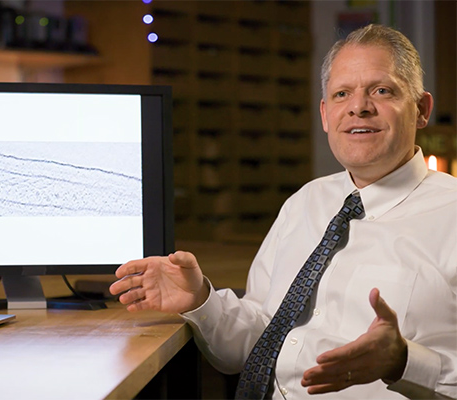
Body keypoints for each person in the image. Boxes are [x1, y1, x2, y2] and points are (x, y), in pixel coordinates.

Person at [110, 24, 457, 399]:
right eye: (342, 94)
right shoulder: (305, 203)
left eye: (382, 90)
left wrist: (403, 362)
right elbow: (258, 339)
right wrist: (200, 301)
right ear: (326, 115)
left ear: (421, 110)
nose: (359, 107)